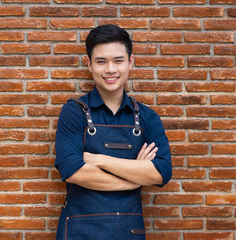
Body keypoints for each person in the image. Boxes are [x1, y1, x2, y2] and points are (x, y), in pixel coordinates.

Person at [54, 24, 172, 240]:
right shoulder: (74, 112)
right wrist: (136, 178)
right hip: (79, 233)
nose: (110, 69)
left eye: (118, 60)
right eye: (101, 61)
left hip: (129, 232)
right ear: (89, 64)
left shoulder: (148, 117)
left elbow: (161, 172)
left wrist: (98, 159)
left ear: (130, 62)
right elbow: (72, 170)